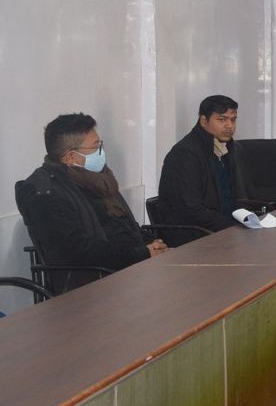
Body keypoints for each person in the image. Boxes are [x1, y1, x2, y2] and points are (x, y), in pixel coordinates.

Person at [15, 113, 167, 293]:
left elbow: (124, 226)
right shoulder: (45, 195)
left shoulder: (97, 180)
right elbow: (80, 253)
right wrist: (142, 253)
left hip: (127, 269)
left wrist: (152, 244)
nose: (101, 152)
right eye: (96, 147)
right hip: (92, 285)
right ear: (71, 157)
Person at [158, 95, 244, 246]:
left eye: (233, 119)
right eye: (222, 119)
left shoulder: (225, 147)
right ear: (204, 121)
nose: (229, 126)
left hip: (221, 229)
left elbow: (232, 196)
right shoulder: (185, 154)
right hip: (194, 236)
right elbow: (191, 210)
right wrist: (231, 228)